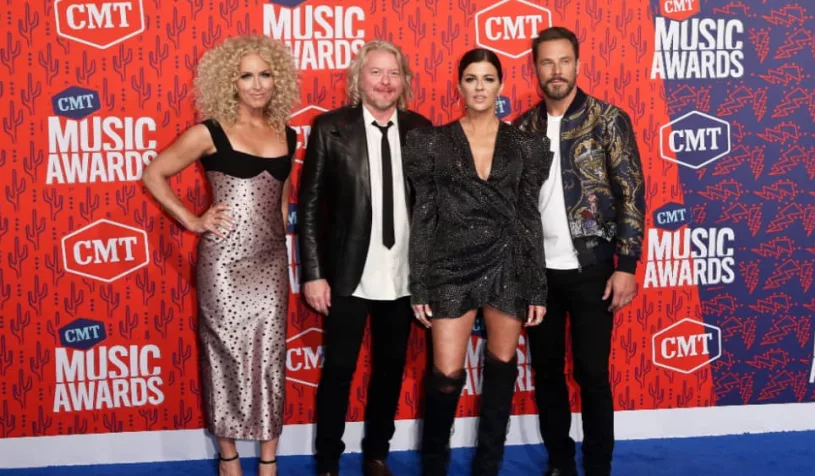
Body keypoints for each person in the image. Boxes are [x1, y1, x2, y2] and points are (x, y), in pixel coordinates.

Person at [141, 35, 299, 476]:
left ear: (277, 79)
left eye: (265, 74)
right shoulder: (208, 132)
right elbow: (154, 173)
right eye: (246, 75)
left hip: (270, 263)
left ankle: (269, 462)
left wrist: (280, 233)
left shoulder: (287, 132)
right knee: (223, 355)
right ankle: (228, 457)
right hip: (224, 264)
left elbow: (282, 198)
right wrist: (192, 220)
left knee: (270, 358)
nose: (257, 85)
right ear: (230, 82)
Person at [404, 48, 551, 476]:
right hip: (450, 267)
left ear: (501, 85)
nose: (480, 87)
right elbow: (424, 216)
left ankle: (488, 466)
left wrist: (536, 286)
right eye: (471, 79)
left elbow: (528, 216)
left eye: (488, 79)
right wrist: (421, 284)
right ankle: (434, 467)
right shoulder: (431, 142)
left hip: (508, 264)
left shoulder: (526, 144)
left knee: (501, 370)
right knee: (445, 376)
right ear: (459, 85)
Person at [512, 27, 646, 476]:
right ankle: (560, 463)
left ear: (578, 64)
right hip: (539, 275)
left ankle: (598, 466)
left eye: (564, 61)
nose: (556, 71)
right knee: (547, 375)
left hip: (592, 268)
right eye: (547, 62)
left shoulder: (609, 119)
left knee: (591, 375)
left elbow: (630, 193)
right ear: (535, 69)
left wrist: (626, 266)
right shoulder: (523, 128)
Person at [297, 40, 432, 476]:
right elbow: (311, 205)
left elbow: (431, 209)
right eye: (376, 72)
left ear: (404, 81)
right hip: (347, 274)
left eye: (393, 73)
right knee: (338, 370)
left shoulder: (421, 129)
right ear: (359, 78)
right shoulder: (330, 129)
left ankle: (377, 453)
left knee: (390, 370)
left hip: (403, 275)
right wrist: (314, 274)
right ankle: (329, 462)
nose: (385, 81)